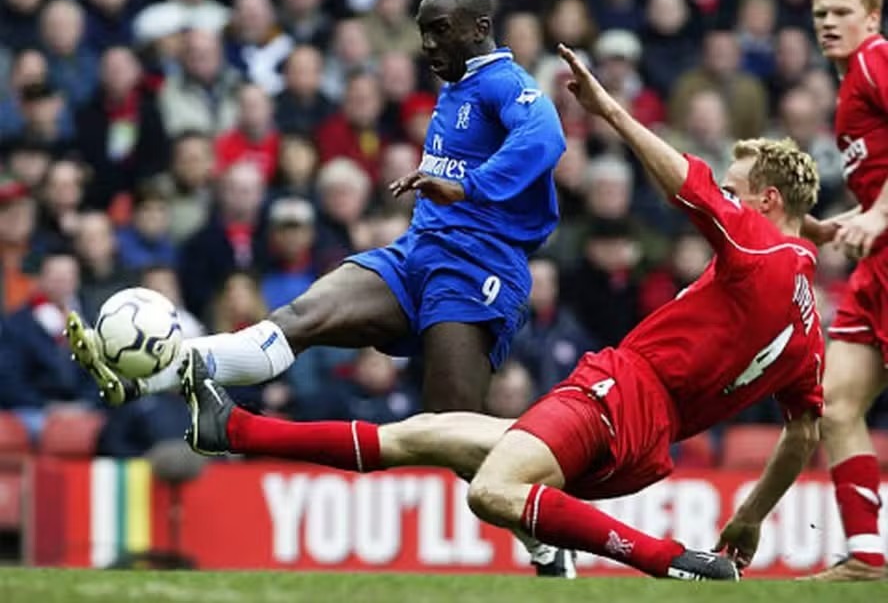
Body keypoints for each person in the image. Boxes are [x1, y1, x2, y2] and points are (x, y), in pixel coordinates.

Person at [178, 44, 825, 582]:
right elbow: (802, 435)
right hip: (646, 442)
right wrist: (751, 515)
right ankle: (230, 430)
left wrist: (608, 111)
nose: (727, 193)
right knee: (425, 433)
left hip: (621, 394)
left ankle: (674, 561)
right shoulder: (807, 331)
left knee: (489, 492)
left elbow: (684, 181)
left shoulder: (756, 245)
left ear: (767, 200)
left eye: (737, 187)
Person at [66, 0, 569, 574]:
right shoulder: (457, 86)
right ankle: (154, 374)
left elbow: (547, 136)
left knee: (451, 434)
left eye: (440, 31)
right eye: (421, 32)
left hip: (478, 270)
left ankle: (545, 538)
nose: (428, 45)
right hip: (416, 254)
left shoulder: (506, 83)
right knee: (298, 318)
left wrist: (468, 186)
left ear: (480, 28)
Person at [800, 0, 888, 581]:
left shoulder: (876, 59)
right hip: (876, 266)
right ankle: (866, 555)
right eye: (820, 15)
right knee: (836, 405)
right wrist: (847, 220)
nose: (828, 23)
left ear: (872, 18)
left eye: (840, 12)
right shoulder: (849, 80)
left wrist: (880, 213)